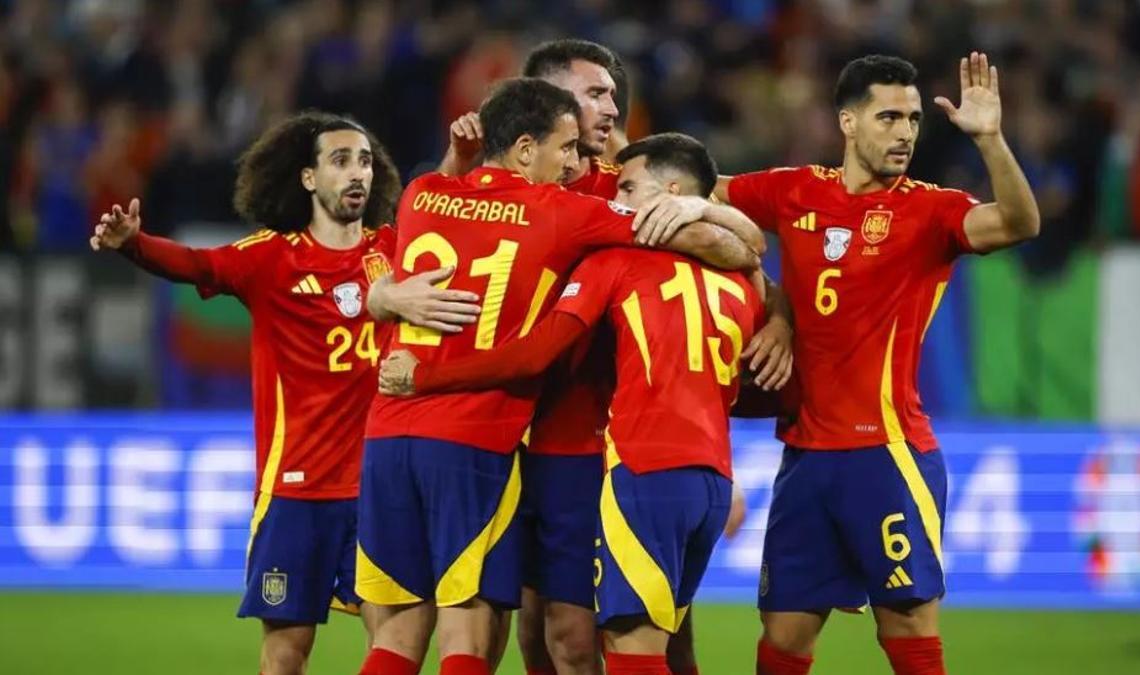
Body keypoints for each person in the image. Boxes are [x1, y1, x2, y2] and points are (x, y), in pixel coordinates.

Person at [355, 78, 762, 675]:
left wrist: (381, 300)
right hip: (474, 438)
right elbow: (718, 243)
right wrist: (710, 219)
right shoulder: (564, 211)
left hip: (388, 434)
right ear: (525, 148)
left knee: (396, 632)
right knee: (469, 630)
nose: (576, 162)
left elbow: (389, 263)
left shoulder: (421, 193)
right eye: (565, 147)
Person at [88, 112, 482, 675]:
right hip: (296, 491)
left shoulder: (391, 249)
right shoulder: (270, 258)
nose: (357, 174)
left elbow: (433, 208)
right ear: (307, 178)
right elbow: (199, 263)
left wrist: (458, 161)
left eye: (365, 161)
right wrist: (134, 245)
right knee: (285, 654)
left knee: (398, 638)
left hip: (379, 488)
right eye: (340, 160)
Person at [714, 53, 1040, 675]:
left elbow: (1021, 222)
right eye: (889, 117)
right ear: (847, 121)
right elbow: (698, 185)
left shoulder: (931, 210)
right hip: (807, 455)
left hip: (886, 453)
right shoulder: (795, 190)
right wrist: (779, 311)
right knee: (782, 635)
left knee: (909, 625)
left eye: (914, 119)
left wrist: (991, 141)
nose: (905, 133)